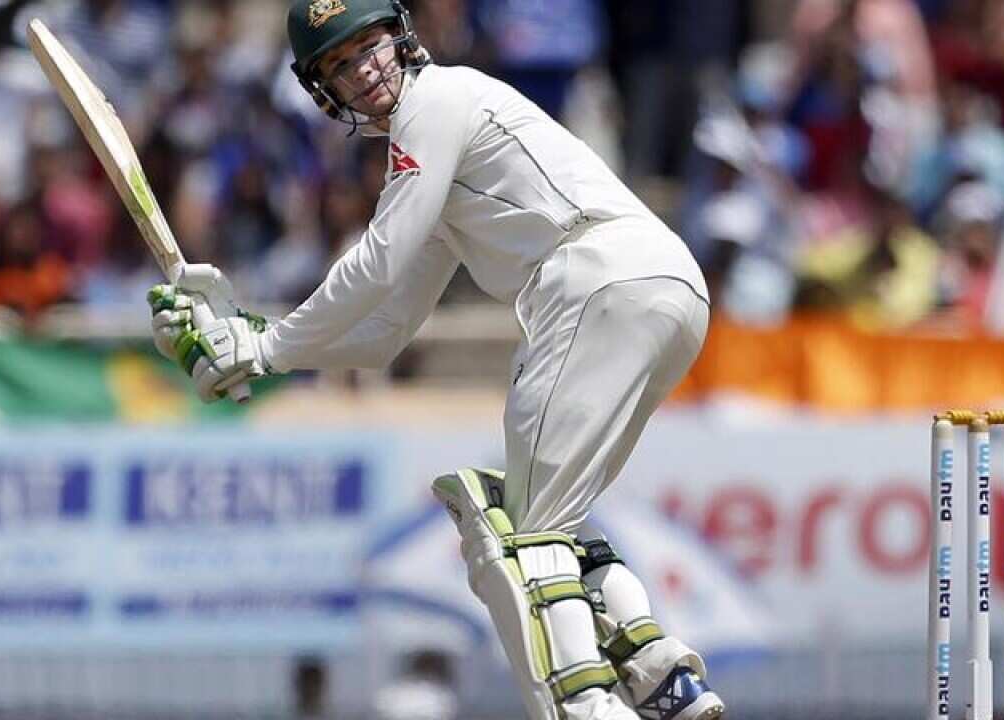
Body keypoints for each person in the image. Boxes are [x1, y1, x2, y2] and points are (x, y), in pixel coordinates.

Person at [146, 2, 722, 719]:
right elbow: (386, 329)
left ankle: (589, 705)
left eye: (368, 47)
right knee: (556, 514)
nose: (363, 70)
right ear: (326, 91)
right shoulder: (449, 158)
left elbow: (379, 261)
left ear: (400, 37)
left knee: (518, 537)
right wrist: (259, 348)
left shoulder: (438, 102)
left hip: (596, 279)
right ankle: (662, 676)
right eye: (340, 65)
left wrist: (267, 342)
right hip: (663, 285)